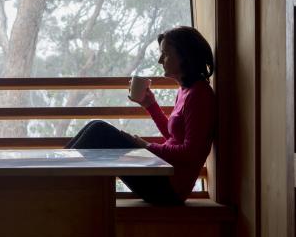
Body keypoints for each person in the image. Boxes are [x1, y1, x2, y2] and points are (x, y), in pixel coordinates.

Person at [65, 26, 216, 205]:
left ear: (185, 56)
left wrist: (146, 146)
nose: (160, 60)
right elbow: (173, 137)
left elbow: (190, 152)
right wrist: (150, 105)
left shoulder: (200, 95)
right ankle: (53, 179)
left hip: (170, 187)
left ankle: (51, 183)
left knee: (99, 130)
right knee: (96, 126)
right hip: (162, 173)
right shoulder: (185, 90)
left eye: (166, 54)